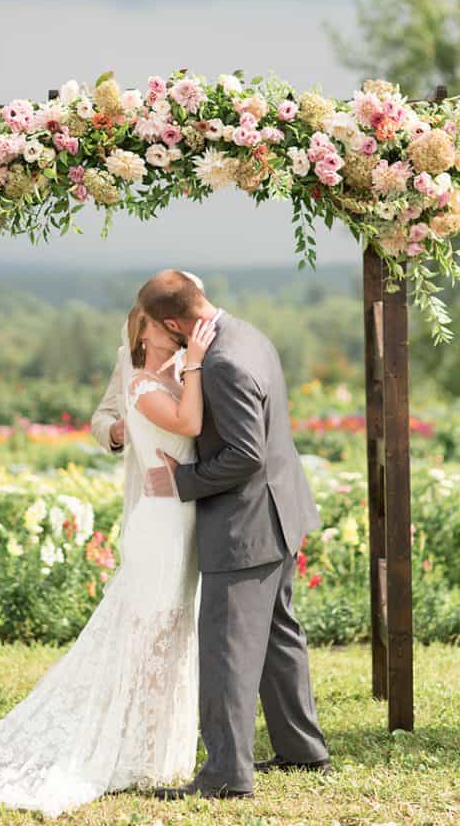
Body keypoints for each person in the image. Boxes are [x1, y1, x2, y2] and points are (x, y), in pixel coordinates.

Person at [0, 309, 216, 817]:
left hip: (187, 510)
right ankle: (133, 745)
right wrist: (124, 433)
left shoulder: (195, 361)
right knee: (147, 625)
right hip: (154, 503)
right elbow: (105, 418)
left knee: (173, 629)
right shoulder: (136, 370)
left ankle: (159, 747)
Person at [138, 270, 330, 801]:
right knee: (277, 639)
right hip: (278, 512)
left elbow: (244, 454)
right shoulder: (248, 333)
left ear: (174, 323)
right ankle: (301, 749)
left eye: (157, 326)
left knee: (226, 649)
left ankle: (226, 774)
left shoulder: (222, 362)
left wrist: (179, 480)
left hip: (245, 524)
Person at [91, 272, 205, 455]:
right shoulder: (130, 363)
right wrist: (115, 432)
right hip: (150, 471)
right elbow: (102, 415)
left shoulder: (199, 355)